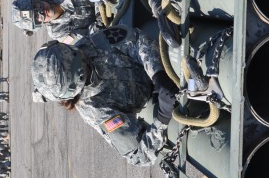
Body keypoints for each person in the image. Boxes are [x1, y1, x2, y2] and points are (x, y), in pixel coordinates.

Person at [31, 25, 179, 167]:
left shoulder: (89, 45)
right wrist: (162, 118)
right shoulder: (95, 111)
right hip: (150, 100)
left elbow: (135, 40)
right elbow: (139, 155)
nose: (84, 56)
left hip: (156, 70)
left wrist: (157, 74)